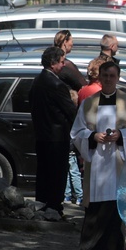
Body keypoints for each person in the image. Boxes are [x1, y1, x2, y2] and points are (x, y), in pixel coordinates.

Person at [71, 61, 126, 250]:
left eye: (112, 76)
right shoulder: (89, 103)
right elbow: (76, 132)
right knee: (95, 209)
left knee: (114, 210)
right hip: (96, 164)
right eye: (105, 76)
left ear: (118, 77)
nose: (108, 79)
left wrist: (122, 135)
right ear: (99, 77)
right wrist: (94, 136)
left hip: (118, 162)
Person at [29, 47, 78, 216]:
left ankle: (42, 203)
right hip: (57, 137)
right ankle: (54, 206)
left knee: (43, 172)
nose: (64, 65)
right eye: (62, 62)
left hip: (41, 135)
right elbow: (70, 111)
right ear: (53, 63)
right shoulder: (57, 84)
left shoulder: (37, 81)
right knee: (57, 174)